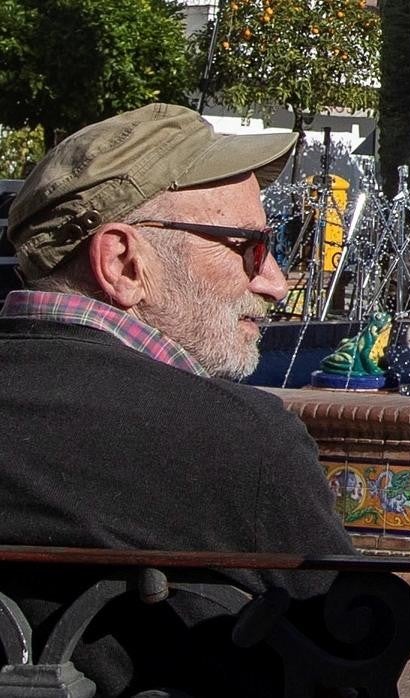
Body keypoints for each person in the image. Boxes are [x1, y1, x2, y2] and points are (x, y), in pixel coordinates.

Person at [0, 103, 355, 696]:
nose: (275, 280)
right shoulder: (240, 439)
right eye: (248, 246)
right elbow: (353, 651)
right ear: (124, 262)